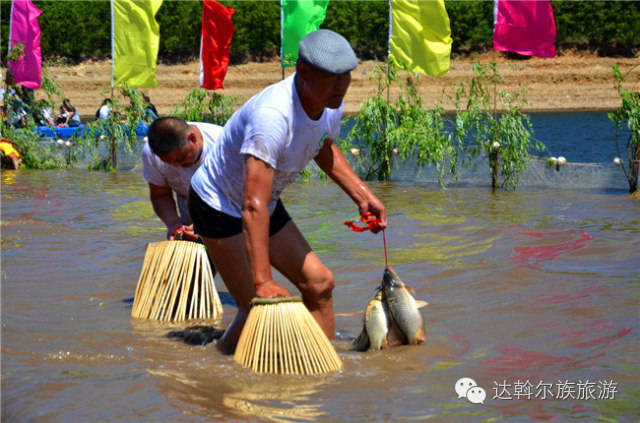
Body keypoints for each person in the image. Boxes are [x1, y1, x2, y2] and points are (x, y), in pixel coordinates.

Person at [187, 29, 387, 354]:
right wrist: (263, 280)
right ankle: (215, 369)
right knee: (254, 307)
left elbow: (321, 145)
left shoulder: (331, 103)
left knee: (319, 284)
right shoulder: (272, 116)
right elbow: (252, 205)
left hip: (265, 202)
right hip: (218, 204)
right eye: (331, 78)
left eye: (346, 77)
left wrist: (362, 195)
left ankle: (322, 374)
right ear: (303, 71)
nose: (340, 87)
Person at [144, 117, 224, 242]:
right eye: (169, 162)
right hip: (189, 227)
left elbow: (241, 199)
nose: (177, 166)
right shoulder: (152, 154)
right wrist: (174, 224)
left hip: (229, 224)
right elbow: (160, 195)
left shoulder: (223, 144)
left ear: (192, 138)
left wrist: (207, 226)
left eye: (181, 158)